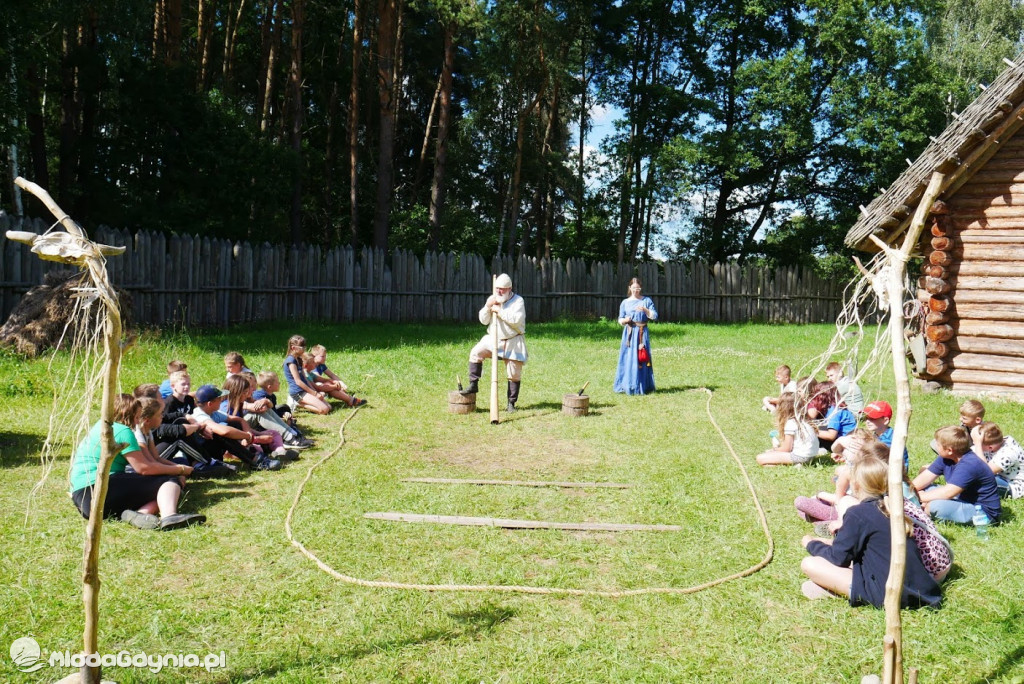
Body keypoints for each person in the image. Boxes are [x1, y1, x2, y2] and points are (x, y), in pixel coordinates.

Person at [799, 457, 942, 608]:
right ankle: (832, 588)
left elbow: (839, 558)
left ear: (856, 484)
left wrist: (811, 544)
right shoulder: (894, 506)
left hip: (890, 594)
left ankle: (846, 591)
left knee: (809, 564)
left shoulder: (858, 513)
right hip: (921, 589)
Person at [68, 394, 204, 531]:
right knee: (168, 481)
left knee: (160, 491)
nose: (138, 421)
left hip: (84, 500)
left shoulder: (100, 426)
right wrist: (180, 470)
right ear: (129, 414)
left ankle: (139, 514)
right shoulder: (122, 430)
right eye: (137, 416)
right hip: (100, 488)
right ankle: (169, 516)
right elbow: (143, 468)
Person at [459, 273, 528, 411]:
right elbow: (483, 320)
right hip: (493, 339)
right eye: (497, 289)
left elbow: (516, 320)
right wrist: (487, 306)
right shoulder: (493, 299)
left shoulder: (518, 301)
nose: (499, 292)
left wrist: (499, 311)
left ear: (509, 289)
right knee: (475, 353)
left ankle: (511, 404)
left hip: (513, 340)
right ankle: (474, 384)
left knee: (514, 374)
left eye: (502, 289)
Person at [913, 425, 1001, 525]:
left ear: (950, 450)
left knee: (934, 506)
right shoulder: (946, 458)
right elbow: (920, 481)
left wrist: (919, 497)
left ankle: (922, 508)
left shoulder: (970, 464)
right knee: (924, 488)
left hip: (981, 511)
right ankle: (920, 505)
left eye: (938, 445)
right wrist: (910, 491)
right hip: (960, 498)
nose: (936, 447)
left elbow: (949, 492)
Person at [613, 277, 658, 395]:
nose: (635, 290)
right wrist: (625, 320)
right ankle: (627, 385)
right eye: (633, 288)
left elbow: (654, 315)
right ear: (629, 288)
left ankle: (643, 385)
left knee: (641, 358)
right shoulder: (625, 302)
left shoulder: (646, 300)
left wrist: (646, 310)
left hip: (642, 333)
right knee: (628, 357)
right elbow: (620, 319)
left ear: (640, 288)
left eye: (637, 288)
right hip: (629, 334)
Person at [756, 393, 819, 466]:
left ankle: (795, 464)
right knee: (769, 458)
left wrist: (774, 450)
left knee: (760, 458)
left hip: (801, 457)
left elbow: (786, 449)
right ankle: (788, 464)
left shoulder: (791, 423)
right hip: (811, 456)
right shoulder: (803, 419)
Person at [283, 335, 332, 415]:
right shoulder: (291, 361)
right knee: (324, 410)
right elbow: (298, 381)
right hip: (298, 392)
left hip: (305, 389)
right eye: (302, 347)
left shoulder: (298, 359)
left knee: (329, 407)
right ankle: (298, 403)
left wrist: (315, 392)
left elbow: (305, 379)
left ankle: (301, 402)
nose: (304, 349)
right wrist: (314, 394)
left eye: (304, 347)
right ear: (293, 348)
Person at [973, 422, 1024, 499]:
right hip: (998, 477)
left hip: (1013, 486)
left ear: (990, 448)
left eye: (976, 443)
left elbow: (984, 472)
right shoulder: (995, 444)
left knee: (975, 479)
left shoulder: (1009, 452)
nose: (974, 444)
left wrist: (978, 443)